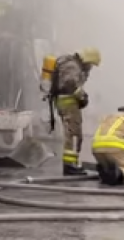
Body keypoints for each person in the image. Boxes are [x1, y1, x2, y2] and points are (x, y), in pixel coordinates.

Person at [49, 47, 102, 175]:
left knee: (73, 134)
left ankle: (71, 164)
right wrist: (82, 96)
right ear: (86, 60)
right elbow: (70, 83)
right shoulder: (73, 66)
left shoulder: (72, 65)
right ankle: (69, 166)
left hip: (69, 104)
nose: (90, 68)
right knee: (73, 134)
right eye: (90, 64)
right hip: (69, 105)